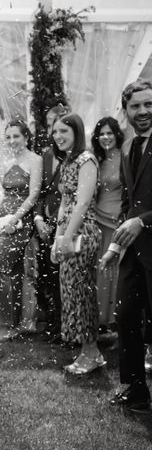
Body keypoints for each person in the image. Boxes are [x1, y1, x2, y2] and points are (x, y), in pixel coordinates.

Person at [106, 81, 152, 413]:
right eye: (136, 106)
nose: (144, 111)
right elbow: (127, 204)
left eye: (148, 104)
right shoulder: (126, 148)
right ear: (127, 111)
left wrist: (143, 222)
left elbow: (138, 215)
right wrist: (114, 246)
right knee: (124, 318)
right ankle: (137, 392)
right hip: (133, 254)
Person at [50, 114, 103, 374]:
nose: (58, 136)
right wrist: (57, 240)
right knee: (71, 294)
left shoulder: (87, 160)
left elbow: (82, 203)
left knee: (81, 295)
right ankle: (87, 351)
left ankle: (91, 353)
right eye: (55, 131)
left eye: (64, 131)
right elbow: (64, 204)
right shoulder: (67, 160)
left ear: (77, 132)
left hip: (84, 234)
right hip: (70, 234)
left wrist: (68, 238)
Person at [0, 119, 42, 339]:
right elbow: (5, 194)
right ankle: (10, 323)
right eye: (8, 137)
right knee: (6, 269)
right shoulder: (8, 163)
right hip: (1, 219)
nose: (12, 140)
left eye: (16, 136)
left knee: (1, 267)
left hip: (19, 220)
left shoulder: (35, 161)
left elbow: (33, 194)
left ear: (26, 137)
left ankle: (6, 324)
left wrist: (15, 218)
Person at [34, 104, 70, 342]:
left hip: (67, 225)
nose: (53, 130)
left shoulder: (76, 155)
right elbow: (39, 191)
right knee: (46, 276)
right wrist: (38, 218)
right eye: (49, 125)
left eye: (56, 123)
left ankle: (67, 327)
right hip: (44, 224)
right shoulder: (45, 155)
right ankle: (52, 323)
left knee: (64, 278)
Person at [91, 117, 124, 331]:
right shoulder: (97, 160)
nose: (105, 137)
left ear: (116, 134)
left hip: (117, 222)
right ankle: (104, 322)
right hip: (98, 221)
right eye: (102, 134)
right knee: (101, 272)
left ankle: (120, 322)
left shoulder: (127, 157)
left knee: (118, 272)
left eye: (109, 133)